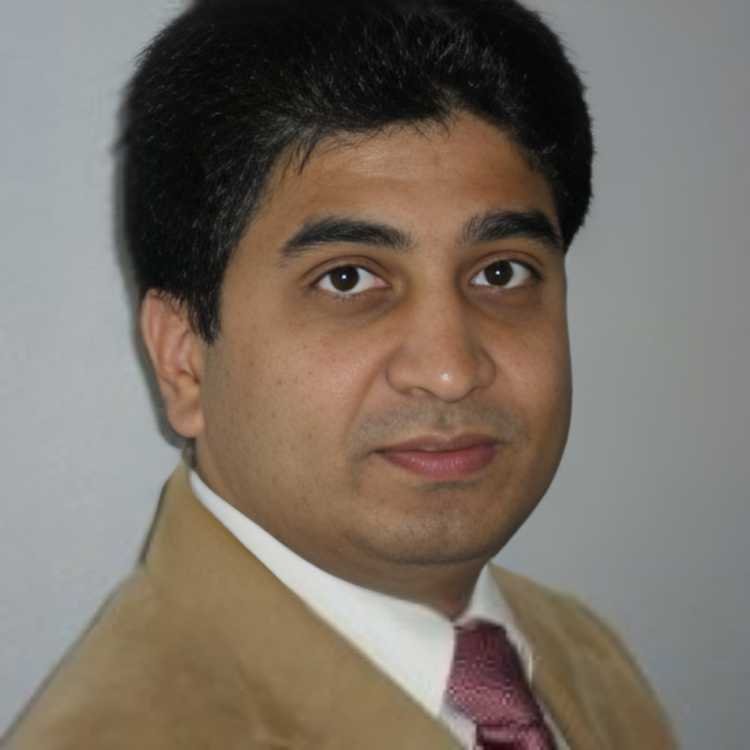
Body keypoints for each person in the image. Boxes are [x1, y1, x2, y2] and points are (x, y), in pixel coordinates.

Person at [2, 0, 676, 747]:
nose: (450, 371)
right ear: (184, 358)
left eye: (501, 272)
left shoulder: (582, 655)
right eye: (348, 279)